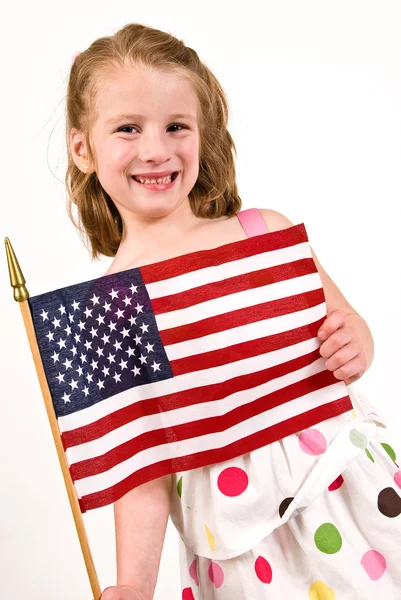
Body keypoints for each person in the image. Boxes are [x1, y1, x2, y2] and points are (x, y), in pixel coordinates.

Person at [66, 23, 401, 600]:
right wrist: (134, 585)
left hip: (343, 488)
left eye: (176, 126)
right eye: (128, 128)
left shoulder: (261, 232)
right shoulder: (111, 311)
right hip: (240, 542)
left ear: (203, 135)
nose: (156, 149)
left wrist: (357, 340)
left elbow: (348, 329)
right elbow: (141, 468)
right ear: (83, 149)